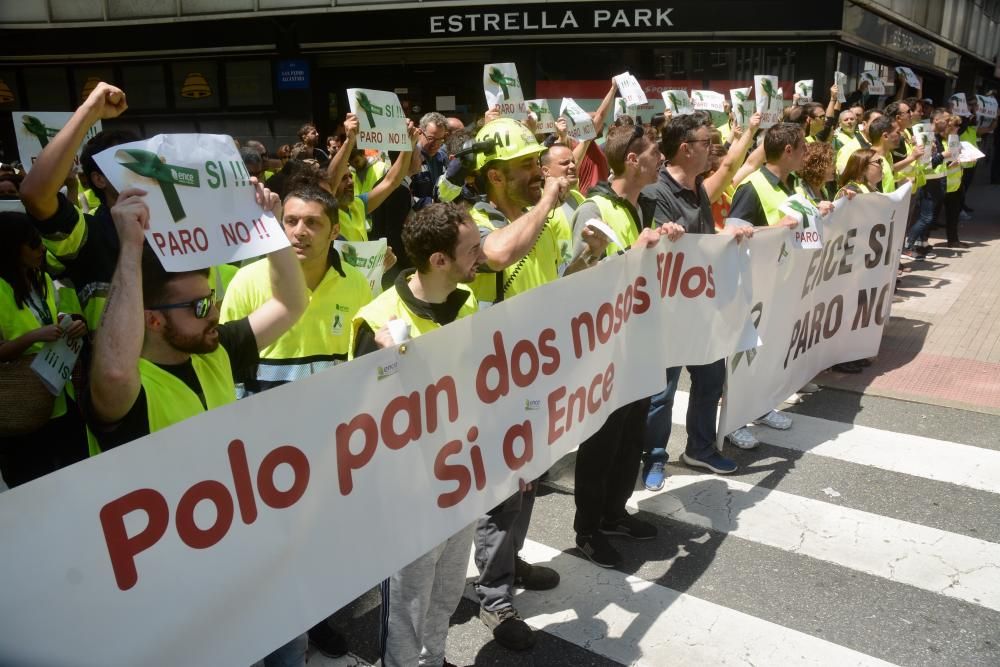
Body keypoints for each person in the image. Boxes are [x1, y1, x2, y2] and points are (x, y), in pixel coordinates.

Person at [85, 182, 308, 666]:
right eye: (201, 306)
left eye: (214, 298)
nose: (217, 313)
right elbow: (116, 370)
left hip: (248, 555)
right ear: (155, 320)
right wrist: (129, 248)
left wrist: (268, 226)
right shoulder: (128, 388)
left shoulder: (214, 348)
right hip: (184, 586)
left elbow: (292, 303)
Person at [466, 117, 607, 651]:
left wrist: (586, 259)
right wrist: (547, 202)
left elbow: (551, 288)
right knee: (503, 489)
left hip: (536, 375)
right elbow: (497, 256)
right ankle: (493, 594)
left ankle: (509, 561)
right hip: (493, 382)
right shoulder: (476, 219)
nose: (538, 172)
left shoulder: (538, 220)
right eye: (527, 165)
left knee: (528, 479)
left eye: (536, 165)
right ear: (495, 175)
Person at [349, 203, 481, 667]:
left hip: (462, 474)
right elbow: (360, 415)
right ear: (440, 260)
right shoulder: (377, 320)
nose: (481, 256)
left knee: (446, 590)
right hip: (411, 491)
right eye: (472, 249)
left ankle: (434, 658)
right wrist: (387, 366)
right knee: (407, 602)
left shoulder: (467, 301)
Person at [566, 122, 682, 569]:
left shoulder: (640, 206)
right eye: (655, 154)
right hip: (604, 350)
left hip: (637, 342)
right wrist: (637, 249)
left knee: (630, 435)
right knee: (601, 442)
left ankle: (615, 513)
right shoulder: (593, 207)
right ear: (631, 160)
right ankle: (588, 530)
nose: (661, 161)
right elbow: (575, 282)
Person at [637, 111, 759, 485]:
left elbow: (702, 244)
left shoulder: (699, 189)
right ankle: (653, 457)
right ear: (686, 149)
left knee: (709, 381)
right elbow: (650, 246)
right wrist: (662, 234)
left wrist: (729, 238)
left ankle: (700, 449)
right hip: (668, 314)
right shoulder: (655, 192)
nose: (713, 149)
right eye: (706, 142)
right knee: (662, 393)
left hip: (704, 310)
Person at [19, 81, 136, 331]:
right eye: (126, 162)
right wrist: (90, 111)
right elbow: (34, 195)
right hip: (118, 367)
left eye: (142, 159)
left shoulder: (176, 231)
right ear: (98, 179)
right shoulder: (88, 235)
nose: (140, 170)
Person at [0, 212, 89, 487]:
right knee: (35, 487)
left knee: (77, 479)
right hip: (20, 411)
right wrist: (32, 337)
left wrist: (72, 324)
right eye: (33, 244)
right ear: (11, 248)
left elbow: (52, 317)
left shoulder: (43, 280)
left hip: (61, 397)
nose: (42, 250)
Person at [411, 112, 450, 210]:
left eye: (440, 140)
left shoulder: (443, 158)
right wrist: (431, 204)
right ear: (420, 133)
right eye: (431, 139)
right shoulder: (410, 158)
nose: (435, 145)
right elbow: (404, 196)